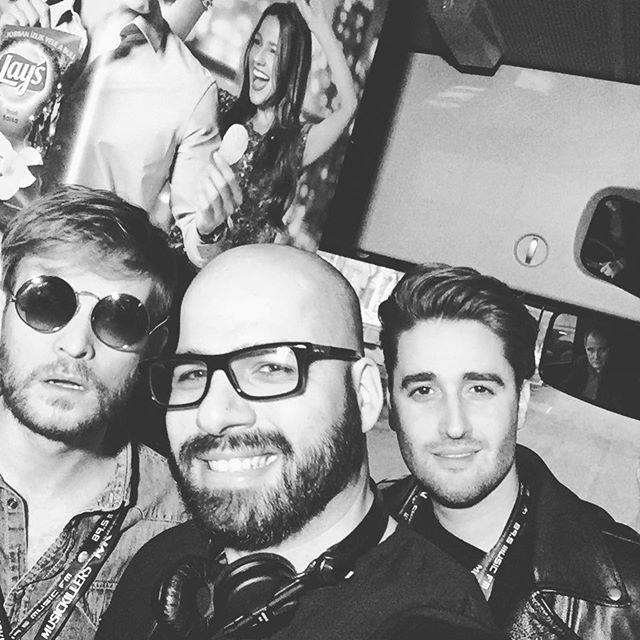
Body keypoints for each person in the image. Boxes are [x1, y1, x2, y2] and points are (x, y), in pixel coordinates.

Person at [95, 245, 500, 640]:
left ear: (363, 396)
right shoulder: (162, 561)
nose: (213, 415)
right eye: (192, 373)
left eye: (271, 367)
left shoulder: (431, 623)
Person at [378, 263, 640, 639]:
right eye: (424, 391)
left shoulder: (626, 591)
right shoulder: (355, 533)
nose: (454, 425)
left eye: (479, 389)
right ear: (392, 406)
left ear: (521, 403)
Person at [0, 185, 188, 640]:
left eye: (119, 320)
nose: (75, 345)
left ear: (154, 347)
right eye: (45, 302)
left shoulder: (183, 530)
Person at [0, 0, 220, 242]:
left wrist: (209, 231)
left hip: (74, 257)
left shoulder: (191, 87)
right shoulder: (28, 22)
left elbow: (196, 235)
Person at [190, 0, 358, 265]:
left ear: (292, 64)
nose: (258, 58)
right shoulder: (221, 107)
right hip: (180, 255)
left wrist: (320, 28)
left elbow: (348, 107)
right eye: (257, 42)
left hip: (228, 279)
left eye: (273, 51)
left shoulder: (296, 144)